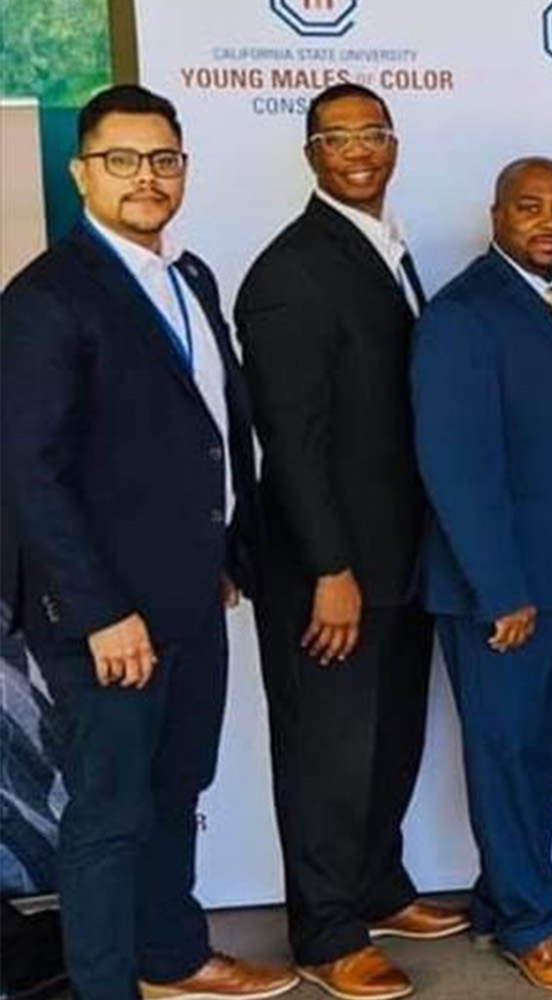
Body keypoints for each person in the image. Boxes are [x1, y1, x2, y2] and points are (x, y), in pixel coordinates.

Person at [0, 84, 294, 1000]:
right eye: (121, 160)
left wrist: (223, 560)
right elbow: (28, 471)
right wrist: (97, 613)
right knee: (110, 815)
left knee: (177, 790)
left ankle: (171, 956)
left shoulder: (189, 277)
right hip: (107, 617)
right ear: (82, 172)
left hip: (188, 593)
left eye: (163, 159)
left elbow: (209, 429)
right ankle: (104, 987)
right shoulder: (48, 297)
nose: (146, 178)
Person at [234, 82, 464, 995]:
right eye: (338, 137)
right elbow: (293, 441)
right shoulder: (290, 272)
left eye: (374, 133)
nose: (360, 149)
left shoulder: (385, 245)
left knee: (390, 738)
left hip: (398, 557)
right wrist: (330, 567)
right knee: (328, 755)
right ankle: (327, 935)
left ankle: (375, 885)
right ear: (310, 154)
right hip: (328, 567)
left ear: (394, 142)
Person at [411, 157, 552, 997]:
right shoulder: (464, 315)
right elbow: (457, 469)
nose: (550, 223)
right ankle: (533, 924)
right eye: (529, 207)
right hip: (505, 589)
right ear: (495, 213)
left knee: (535, 754)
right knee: (504, 752)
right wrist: (501, 591)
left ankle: (510, 895)